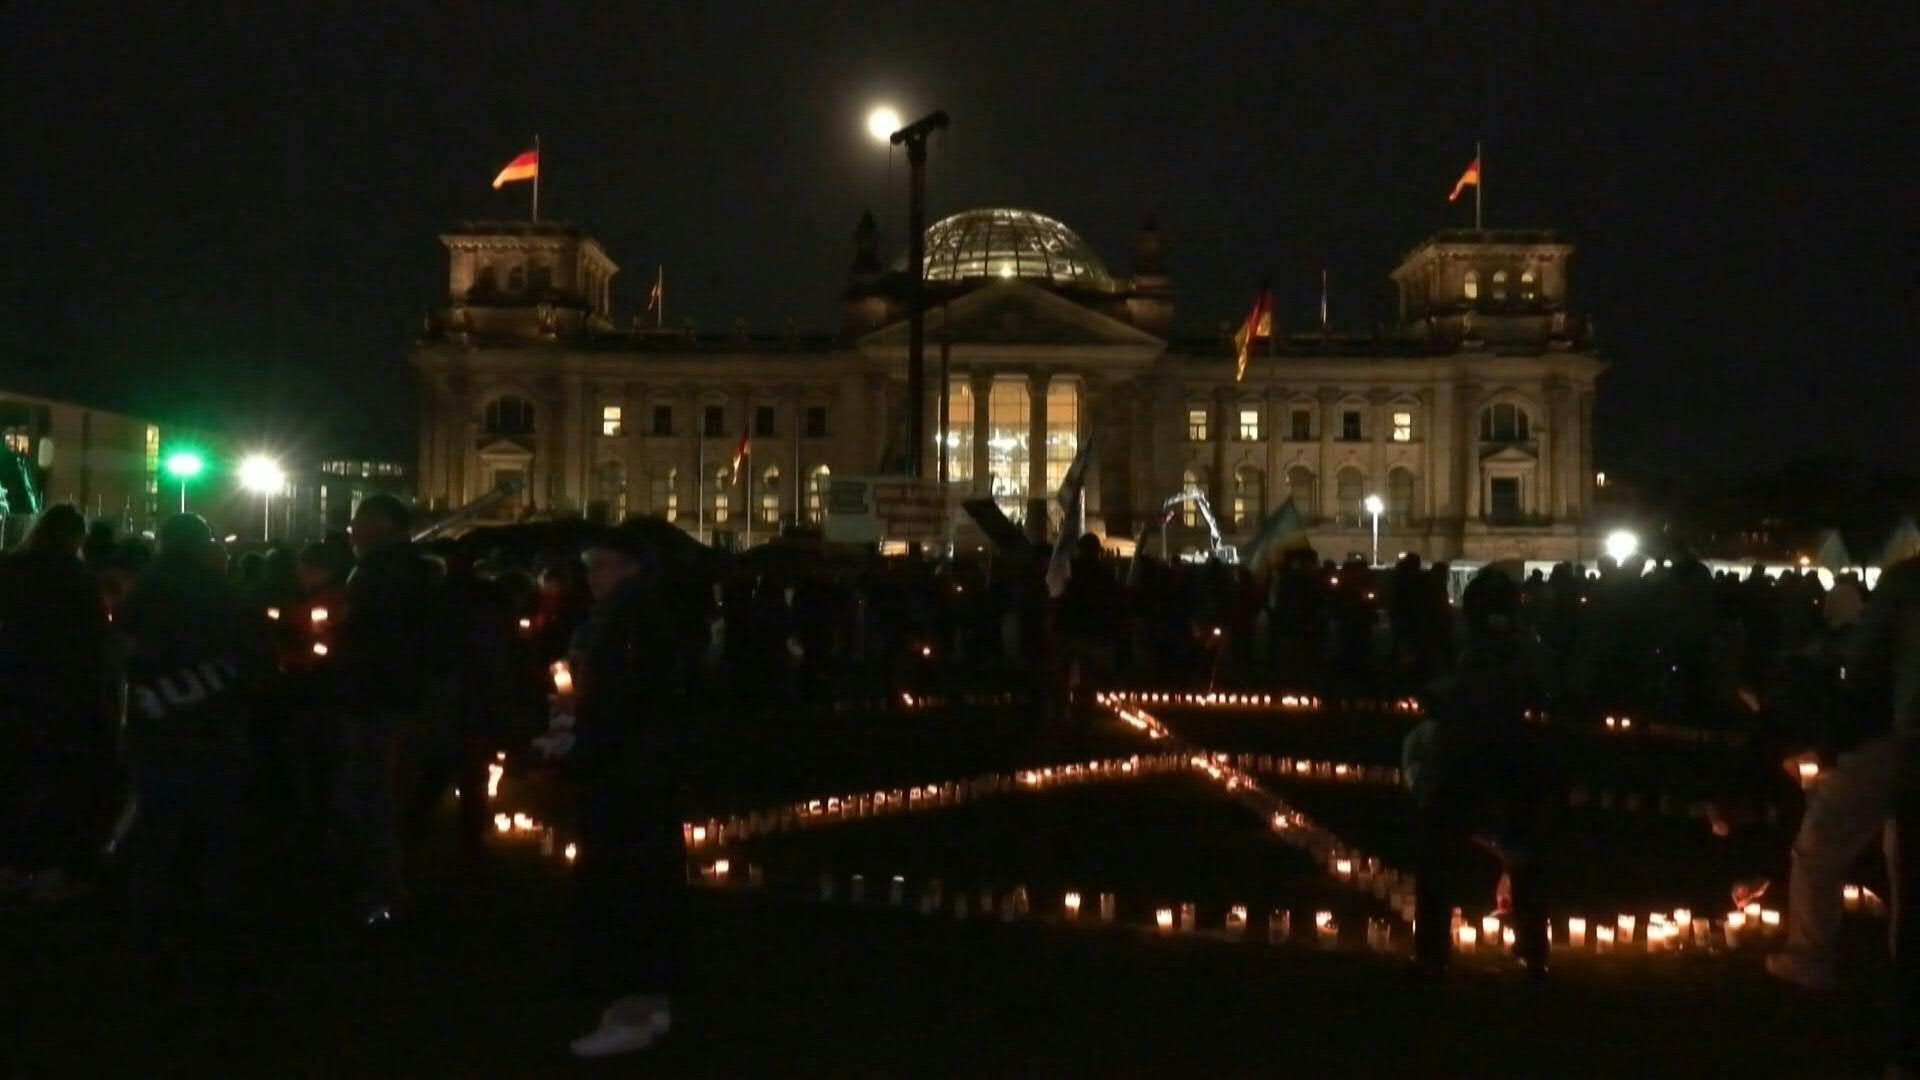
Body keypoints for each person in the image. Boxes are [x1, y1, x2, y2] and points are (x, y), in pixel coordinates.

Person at [539, 525, 689, 1058]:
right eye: (588, 567)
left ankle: (636, 1005)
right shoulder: (622, 617)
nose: (591, 577)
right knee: (633, 883)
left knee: (629, 885)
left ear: (632, 567)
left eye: (600, 566)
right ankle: (641, 998)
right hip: (634, 770)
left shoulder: (635, 620)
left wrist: (580, 727)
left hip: (632, 774)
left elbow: (628, 698)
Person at [1766, 555, 1919, 1075]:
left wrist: (1830, 747)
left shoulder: (1907, 581)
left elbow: (1865, 668)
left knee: (1825, 842)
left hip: (1903, 741)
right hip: (1901, 738)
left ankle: (1811, 958)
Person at [117, 513, 264, 951]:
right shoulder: (225, 593)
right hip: (216, 726)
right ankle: (213, 920)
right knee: (217, 828)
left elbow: (120, 657)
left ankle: (153, 919)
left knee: (158, 825)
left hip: (157, 724)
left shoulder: (143, 593)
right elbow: (254, 660)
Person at [1407, 567, 1552, 975]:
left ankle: (1433, 947)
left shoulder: (1474, 647)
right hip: (1508, 755)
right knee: (1520, 852)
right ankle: (1531, 948)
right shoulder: (1520, 647)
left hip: (1468, 755)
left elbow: (1441, 690)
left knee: (1441, 850)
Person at [331, 494, 436, 925]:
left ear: (381, 525)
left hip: (377, 701)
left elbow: (374, 639)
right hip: (392, 698)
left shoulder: (381, 574)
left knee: (374, 798)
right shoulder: (408, 570)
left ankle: (386, 892)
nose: (352, 529)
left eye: (359, 520)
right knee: (381, 796)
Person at [0, 504, 112, 901]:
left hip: (12, 691)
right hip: (63, 696)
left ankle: (10, 865)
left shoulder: (10, 571)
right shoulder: (78, 581)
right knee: (56, 784)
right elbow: (95, 645)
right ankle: (48, 869)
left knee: (13, 779)